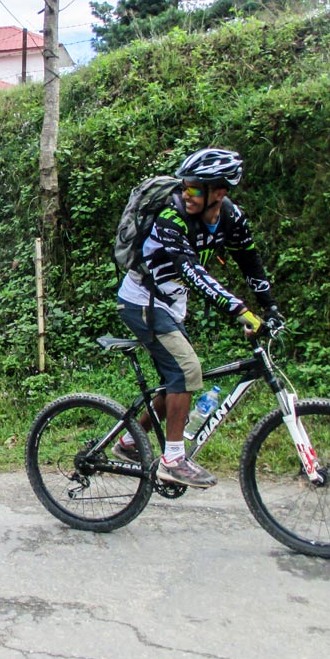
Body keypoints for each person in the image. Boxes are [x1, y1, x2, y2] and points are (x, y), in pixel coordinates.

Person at [114, 147, 281, 488]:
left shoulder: (232, 218)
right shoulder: (171, 217)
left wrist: (270, 307)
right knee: (187, 371)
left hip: (171, 304)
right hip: (142, 301)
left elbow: (251, 263)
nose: (185, 193)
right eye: (185, 186)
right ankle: (173, 460)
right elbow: (191, 273)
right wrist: (240, 311)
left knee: (181, 378)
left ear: (219, 192)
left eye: (195, 188)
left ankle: (130, 441)